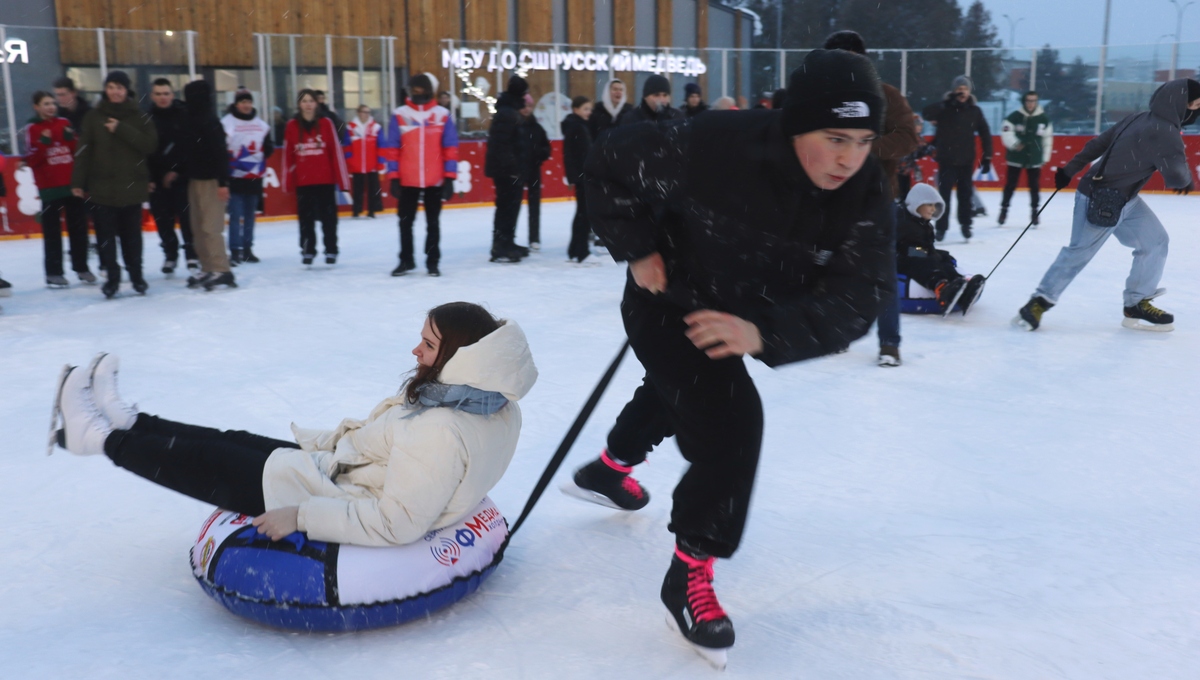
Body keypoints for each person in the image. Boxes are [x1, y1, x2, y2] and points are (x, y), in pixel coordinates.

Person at [568, 50, 894, 661]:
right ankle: (689, 570)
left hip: (745, 312)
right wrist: (637, 250)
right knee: (731, 422)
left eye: (863, 139)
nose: (850, 157)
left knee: (679, 393)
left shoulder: (865, 190)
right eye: (835, 137)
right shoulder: (715, 144)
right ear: (798, 125)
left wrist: (764, 333)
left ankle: (608, 470)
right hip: (667, 299)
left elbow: (862, 294)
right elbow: (607, 162)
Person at [50, 302, 538, 548]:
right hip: (339, 468)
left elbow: (398, 523)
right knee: (231, 441)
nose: (416, 352)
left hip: (325, 494)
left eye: (429, 346)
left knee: (203, 460)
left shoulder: (441, 431)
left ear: (459, 358)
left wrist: (301, 516)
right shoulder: (491, 403)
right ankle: (129, 421)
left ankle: (95, 437)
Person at [1015, 79, 1200, 333]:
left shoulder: (1138, 118)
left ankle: (1136, 303)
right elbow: (1177, 176)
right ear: (1180, 102)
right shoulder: (1165, 131)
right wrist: (1186, 180)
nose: (1196, 110)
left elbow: (1098, 144)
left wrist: (1070, 170)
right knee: (1079, 252)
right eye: (1195, 103)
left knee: (1155, 242)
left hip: (1126, 199)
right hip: (1100, 197)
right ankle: (1038, 302)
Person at [823, 30, 921, 367]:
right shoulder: (822, 98)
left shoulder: (887, 96)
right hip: (831, 199)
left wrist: (865, 147)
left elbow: (909, 137)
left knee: (882, 271)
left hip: (877, 198)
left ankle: (889, 343)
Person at [71, 70, 157, 299]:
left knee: (132, 238)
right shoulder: (93, 117)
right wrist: (78, 181)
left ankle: (137, 276)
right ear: (105, 90)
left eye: (119, 87)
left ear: (127, 90)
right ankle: (112, 279)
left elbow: (149, 145)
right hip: (102, 189)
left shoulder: (140, 116)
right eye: (111, 87)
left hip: (131, 187)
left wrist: (121, 128)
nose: (115, 92)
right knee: (106, 239)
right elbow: (84, 151)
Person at [380, 74, 459, 277]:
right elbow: (393, 149)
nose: (418, 93)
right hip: (408, 180)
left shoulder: (442, 114)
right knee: (405, 223)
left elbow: (450, 147)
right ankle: (406, 260)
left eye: (421, 90)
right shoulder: (400, 114)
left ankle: (433, 261)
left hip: (435, 179)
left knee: (433, 223)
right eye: (414, 90)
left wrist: (449, 177)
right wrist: (394, 176)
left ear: (429, 91)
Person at [23, 90, 95, 287]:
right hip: (50, 188)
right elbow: (32, 159)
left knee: (79, 229)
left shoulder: (64, 123)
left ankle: (82, 267)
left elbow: (76, 152)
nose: (51, 107)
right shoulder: (32, 128)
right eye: (46, 104)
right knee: (52, 231)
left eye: (53, 103)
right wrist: (44, 142)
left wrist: (71, 139)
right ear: (36, 107)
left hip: (71, 186)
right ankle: (54, 272)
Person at [282, 89, 351, 266]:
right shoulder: (291, 125)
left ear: (316, 103)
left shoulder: (326, 123)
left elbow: (335, 151)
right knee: (305, 220)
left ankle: (331, 250)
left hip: (325, 180)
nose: (308, 104)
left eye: (311, 101)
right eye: (304, 101)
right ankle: (307, 250)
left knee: (329, 219)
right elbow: (287, 155)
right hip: (304, 181)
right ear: (299, 104)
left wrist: (342, 180)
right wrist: (287, 180)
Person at [895, 182, 985, 314]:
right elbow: (901, 248)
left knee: (945, 258)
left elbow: (924, 247)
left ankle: (959, 285)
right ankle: (941, 289)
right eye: (929, 205)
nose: (933, 209)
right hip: (899, 257)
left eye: (935, 206)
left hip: (914, 253)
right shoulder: (902, 220)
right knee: (926, 261)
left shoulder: (923, 223)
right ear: (917, 204)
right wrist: (927, 254)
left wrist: (933, 254)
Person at [922, 75, 993, 242]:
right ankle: (941, 228)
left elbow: (985, 133)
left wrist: (987, 156)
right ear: (953, 91)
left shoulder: (974, 111)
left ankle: (966, 225)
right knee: (943, 197)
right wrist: (947, 101)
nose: (962, 92)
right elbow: (926, 113)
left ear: (969, 92)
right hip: (946, 160)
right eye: (959, 89)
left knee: (965, 196)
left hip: (966, 161)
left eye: (965, 89)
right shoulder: (944, 109)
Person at [146, 78, 196, 275]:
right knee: (163, 220)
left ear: (172, 95)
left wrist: (176, 170)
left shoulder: (183, 115)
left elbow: (188, 147)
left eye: (166, 93)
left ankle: (191, 254)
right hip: (156, 180)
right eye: (158, 94)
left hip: (181, 177)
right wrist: (149, 177)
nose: (162, 97)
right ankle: (170, 254)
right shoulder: (147, 118)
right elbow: (144, 152)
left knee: (186, 218)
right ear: (152, 96)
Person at [221, 88, 274, 265]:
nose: (246, 105)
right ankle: (235, 250)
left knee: (250, 214)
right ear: (236, 104)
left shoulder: (261, 124)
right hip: (234, 176)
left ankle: (248, 248)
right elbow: (221, 148)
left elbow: (268, 146)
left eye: (248, 102)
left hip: (254, 176)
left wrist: (262, 153)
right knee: (236, 214)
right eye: (242, 102)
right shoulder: (227, 123)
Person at [484, 76, 531, 263]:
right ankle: (501, 245)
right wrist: (513, 168)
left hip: (507, 169)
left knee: (509, 207)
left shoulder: (508, 110)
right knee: (507, 207)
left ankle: (507, 242)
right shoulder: (507, 113)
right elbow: (502, 145)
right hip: (507, 171)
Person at [999, 91, 1053, 227]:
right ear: (1024, 102)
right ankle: (1004, 210)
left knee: (1034, 187)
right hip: (1015, 157)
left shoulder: (1043, 119)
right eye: (1028, 101)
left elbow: (1047, 139)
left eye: (1033, 101)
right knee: (1010, 185)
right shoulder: (1014, 117)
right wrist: (1015, 144)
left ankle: (1035, 212)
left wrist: (1045, 157)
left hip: (1034, 158)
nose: (1031, 103)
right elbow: (1006, 132)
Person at [560, 95, 593, 263]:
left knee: (582, 213)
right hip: (583, 176)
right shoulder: (577, 127)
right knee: (584, 214)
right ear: (576, 109)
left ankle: (575, 249)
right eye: (586, 109)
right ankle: (581, 251)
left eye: (590, 109)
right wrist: (578, 176)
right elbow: (573, 155)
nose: (589, 112)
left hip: (581, 176)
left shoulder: (578, 125)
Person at [517, 95, 551, 251]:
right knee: (513, 206)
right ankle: (510, 238)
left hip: (533, 170)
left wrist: (539, 155)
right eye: (524, 106)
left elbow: (546, 147)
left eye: (529, 106)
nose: (526, 109)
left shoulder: (537, 128)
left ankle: (534, 238)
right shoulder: (514, 125)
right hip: (516, 171)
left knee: (534, 206)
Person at [346, 105, 383, 219]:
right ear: (358, 113)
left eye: (368, 112)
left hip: (372, 164)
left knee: (373, 188)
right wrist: (349, 161)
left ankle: (372, 210)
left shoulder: (376, 127)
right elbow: (347, 147)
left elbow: (381, 146)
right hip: (356, 165)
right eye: (364, 112)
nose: (366, 114)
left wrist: (380, 162)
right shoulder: (350, 127)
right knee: (357, 189)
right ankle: (356, 210)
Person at [896, 114, 935, 200]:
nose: (920, 127)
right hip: (900, 173)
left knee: (905, 195)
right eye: (917, 124)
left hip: (906, 172)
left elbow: (928, 149)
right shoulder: (906, 138)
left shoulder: (917, 138)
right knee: (902, 195)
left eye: (921, 124)